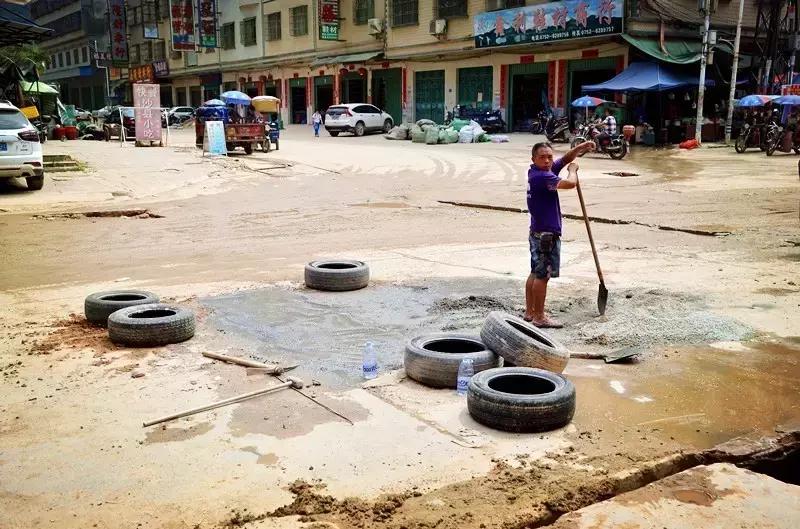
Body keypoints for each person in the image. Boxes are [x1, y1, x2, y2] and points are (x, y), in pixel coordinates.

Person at [525, 140, 595, 328]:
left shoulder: (535, 171)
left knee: (535, 272)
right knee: (542, 276)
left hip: (536, 231)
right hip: (547, 234)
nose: (548, 161)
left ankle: (530, 312)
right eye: (542, 157)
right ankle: (539, 317)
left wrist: (580, 148)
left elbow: (563, 159)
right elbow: (570, 183)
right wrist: (573, 170)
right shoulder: (542, 177)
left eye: (549, 157)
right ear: (534, 159)